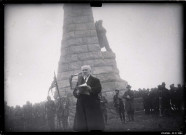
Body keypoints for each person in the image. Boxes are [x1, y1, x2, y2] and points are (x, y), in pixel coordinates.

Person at [73, 65, 105, 131]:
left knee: (93, 124)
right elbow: (74, 92)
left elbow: (99, 89)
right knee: (82, 125)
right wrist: (77, 93)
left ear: (90, 71)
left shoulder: (95, 80)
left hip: (92, 104)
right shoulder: (79, 81)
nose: (84, 71)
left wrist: (90, 89)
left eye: (86, 70)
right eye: (83, 70)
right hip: (81, 105)